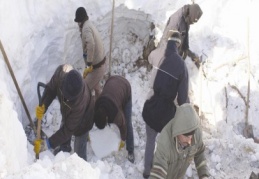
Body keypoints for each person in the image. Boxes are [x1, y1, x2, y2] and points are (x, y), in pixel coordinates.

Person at [142, 30, 189, 178]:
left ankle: (146, 172)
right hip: (166, 112)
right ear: (178, 45)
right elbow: (182, 98)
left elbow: (149, 57)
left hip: (151, 104)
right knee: (166, 144)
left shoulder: (157, 53)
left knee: (150, 141)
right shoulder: (181, 66)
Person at [34, 64, 94, 161]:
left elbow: (67, 130)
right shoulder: (62, 73)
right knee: (65, 122)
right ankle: (64, 148)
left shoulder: (80, 103)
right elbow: (51, 89)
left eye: (68, 98)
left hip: (84, 120)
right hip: (68, 112)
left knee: (79, 151)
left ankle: (82, 169)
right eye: (65, 95)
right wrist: (43, 106)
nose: (65, 99)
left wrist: (47, 144)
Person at [149, 103, 210, 179]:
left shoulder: (196, 133)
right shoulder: (165, 142)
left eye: (191, 136)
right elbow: (158, 172)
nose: (189, 141)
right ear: (178, 132)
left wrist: (204, 175)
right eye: (186, 136)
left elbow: (200, 153)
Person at [93, 75, 135, 163]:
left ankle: (130, 150)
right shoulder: (96, 106)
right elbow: (91, 118)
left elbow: (123, 125)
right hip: (111, 81)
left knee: (127, 122)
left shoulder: (116, 115)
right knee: (118, 102)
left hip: (125, 87)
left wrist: (123, 139)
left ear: (107, 118)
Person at [150, 3, 203, 68]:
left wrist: (191, 55)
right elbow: (166, 44)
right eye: (192, 21)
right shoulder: (176, 22)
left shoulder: (186, 16)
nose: (192, 23)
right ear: (190, 15)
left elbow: (185, 37)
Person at [74, 7, 106, 98]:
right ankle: (100, 101)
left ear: (80, 21)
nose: (78, 24)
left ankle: (89, 108)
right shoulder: (88, 25)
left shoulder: (86, 29)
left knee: (84, 90)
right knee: (95, 85)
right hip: (99, 64)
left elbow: (91, 44)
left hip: (97, 67)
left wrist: (88, 64)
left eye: (78, 22)